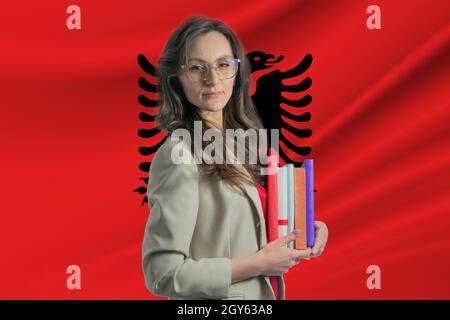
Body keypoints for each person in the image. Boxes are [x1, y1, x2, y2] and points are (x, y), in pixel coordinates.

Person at [141, 15, 328, 300]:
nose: (212, 79)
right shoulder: (178, 154)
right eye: (196, 68)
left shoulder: (247, 143)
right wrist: (258, 264)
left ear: (237, 71)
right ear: (176, 79)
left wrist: (309, 231)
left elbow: (256, 227)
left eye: (223, 65)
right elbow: (162, 273)